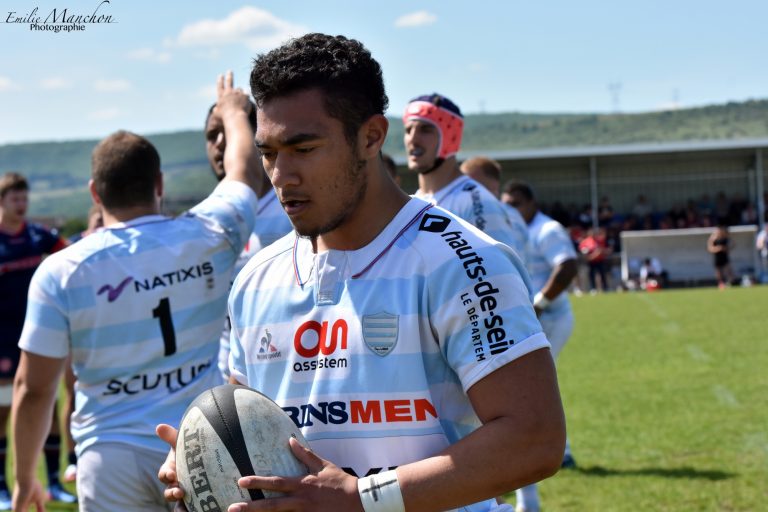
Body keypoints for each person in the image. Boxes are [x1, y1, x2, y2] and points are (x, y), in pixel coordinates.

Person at [157, 33, 565, 512]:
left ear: (371, 136)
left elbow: (534, 438)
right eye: (268, 153)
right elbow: (254, 429)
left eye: (303, 148)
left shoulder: (461, 261)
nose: (281, 176)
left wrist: (363, 499)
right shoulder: (255, 279)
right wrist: (208, 461)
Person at [12, 72, 260, 512]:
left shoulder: (62, 270)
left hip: (109, 456)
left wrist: (28, 476)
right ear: (159, 185)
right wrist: (234, 111)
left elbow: (33, 389)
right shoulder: (210, 234)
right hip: (198, 442)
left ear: (94, 192)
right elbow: (243, 171)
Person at [0, 172, 76, 508]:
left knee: (49, 404)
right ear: (2, 201)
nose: (21, 204)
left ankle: (54, 482)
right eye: (14, 199)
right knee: (4, 411)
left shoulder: (37, 236)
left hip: (39, 335)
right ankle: (4, 484)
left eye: (24, 198)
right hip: (3, 338)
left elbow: (72, 255)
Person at [502, 181, 578, 512]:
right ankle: (562, 451)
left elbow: (568, 265)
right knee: (538, 390)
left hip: (550, 319)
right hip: (536, 321)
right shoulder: (516, 226)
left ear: (531, 202)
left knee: (526, 394)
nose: (511, 209)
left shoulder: (545, 229)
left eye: (516, 203)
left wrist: (541, 302)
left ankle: (529, 497)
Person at [204, 95, 292, 381]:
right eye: (211, 135)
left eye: (228, 130)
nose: (220, 142)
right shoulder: (208, 221)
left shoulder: (292, 215)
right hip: (222, 380)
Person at [404, 94, 527, 257]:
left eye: (425, 130)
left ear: (449, 138)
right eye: (408, 130)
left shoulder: (477, 202)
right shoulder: (412, 203)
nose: (413, 139)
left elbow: (503, 275)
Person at [460, 156, 528, 256]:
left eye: (470, 183)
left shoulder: (493, 212)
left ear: (494, 183)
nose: (462, 188)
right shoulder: (511, 213)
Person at [578, 227, 611, 293]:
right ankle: (593, 288)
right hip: (591, 261)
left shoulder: (599, 240)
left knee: (602, 274)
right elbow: (582, 250)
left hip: (599, 260)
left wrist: (596, 254)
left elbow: (602, 249)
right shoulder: (586, 241)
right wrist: (589, 256)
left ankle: (605, 288)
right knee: (591, 275)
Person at [707, 222, 735, 289]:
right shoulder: (713, 238)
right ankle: (720, 284)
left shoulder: (725, 237)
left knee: (728, 271)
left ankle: (730, 283)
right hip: (717, 256)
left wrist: (727, 248)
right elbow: (710, 248)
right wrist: (718, 248)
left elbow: (733, 244)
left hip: (724, 256)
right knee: (718, 272)